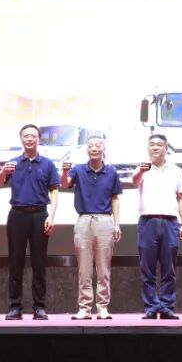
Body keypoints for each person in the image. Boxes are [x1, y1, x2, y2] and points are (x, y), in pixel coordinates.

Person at [0, 124, 59, 320]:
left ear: (39, 139)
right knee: (15, 263)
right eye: (25, 136)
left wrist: (51, 216)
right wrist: (3, 172)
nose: (29, 139)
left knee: (39, 263)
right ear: (21, 139)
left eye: (33, 136)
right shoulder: (13, 163)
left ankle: (39, 307)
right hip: (17, 216)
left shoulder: (47, 164)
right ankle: (15, 307)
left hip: (40, 215)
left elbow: (54, 191)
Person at [60, 136, 123, 320]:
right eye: (91, 146)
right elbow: (65, 184)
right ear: (86, 149)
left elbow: (115, 199)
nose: (94, 148)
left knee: (104, 268)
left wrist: (117, 224)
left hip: (105, 220)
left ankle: (102, 307)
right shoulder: (78, 170)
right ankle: (85, 308)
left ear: (104, 149)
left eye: (98, 145)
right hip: (83, 220)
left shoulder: (111, 172)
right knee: (84, 268)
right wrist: (65, 171)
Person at [132, 134, 182, 319]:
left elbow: (181, 198)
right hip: (147, 222)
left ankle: (166, 307)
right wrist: (141, 171)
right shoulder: (142, 169)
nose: (155, 147)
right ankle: (151, 307)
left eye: (159, 144)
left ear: (166, 148)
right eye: (152, 144)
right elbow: (134, 181)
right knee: (147, 269)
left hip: (170, 222)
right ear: (148, 148)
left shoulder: (175, 170)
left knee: (169, 269)